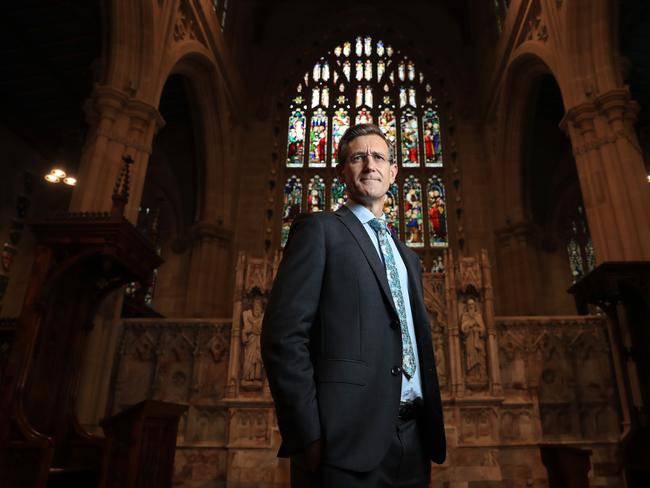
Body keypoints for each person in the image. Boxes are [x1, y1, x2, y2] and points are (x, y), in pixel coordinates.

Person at [261, 123, 446, 487]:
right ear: (341, 170)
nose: (369, 165)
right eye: (358, 157)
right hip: (342, 443)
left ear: (394, 172)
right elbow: (283, 337)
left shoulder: (407, 257)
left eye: (378, 157)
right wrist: (307, 435)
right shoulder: (319, 230)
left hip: (414, 441)